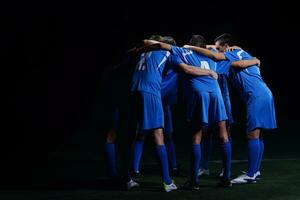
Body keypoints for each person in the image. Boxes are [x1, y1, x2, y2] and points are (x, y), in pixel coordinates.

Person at [127, 35, 218, 192]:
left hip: (133, 91)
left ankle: (128, 177)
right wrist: (209, 72)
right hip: (151, 92)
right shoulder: (168, 54)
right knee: (159, 135)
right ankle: (167, 182)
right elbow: (187, 68)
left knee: (136, 134)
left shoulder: (142, 53)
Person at [184, 33, 277, 184]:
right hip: (265, 93)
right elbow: (221, 52)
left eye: (219, 48)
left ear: (226, 47)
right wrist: (255, 59)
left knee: (252, 134)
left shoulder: (231, 57)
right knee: (258, 134)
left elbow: (220, 58)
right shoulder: (242, 52)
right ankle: (255, 170)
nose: (217, 50)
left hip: (256, 95)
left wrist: (191, 47)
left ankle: (251, 174)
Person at [143, 35, 232, 188]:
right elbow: (218, 49)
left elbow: (155, 44)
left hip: (200, 92)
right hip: (216, 93)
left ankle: (193, 181)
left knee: (196, 136)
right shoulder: (211, 55)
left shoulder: (183, 52)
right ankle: (226, 178)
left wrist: (185, 47)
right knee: (223, 135)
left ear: (191, 45)